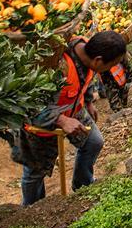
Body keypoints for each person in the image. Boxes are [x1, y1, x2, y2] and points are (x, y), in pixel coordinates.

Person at [10, 31, 126, 205]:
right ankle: (32, 209)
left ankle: (82, 185)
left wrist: (88, 101)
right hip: (40, 120)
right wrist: (62, 121)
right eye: (111, 65)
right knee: (34, 172)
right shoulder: (58, 67)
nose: (110, 69)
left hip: (73, 110)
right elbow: (29, 104)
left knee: (93, 142)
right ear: (98, 60)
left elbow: (86, 77)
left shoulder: (87, 51)